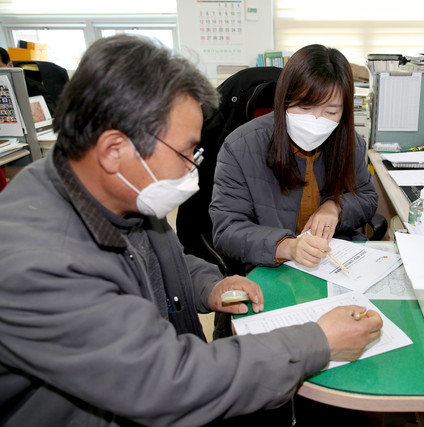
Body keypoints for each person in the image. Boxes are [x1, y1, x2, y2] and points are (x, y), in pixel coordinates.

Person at [0, 35, 383, 426]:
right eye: (186, 153)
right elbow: (167, 382)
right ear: (114, 150)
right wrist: (316, 342)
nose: (191, 171)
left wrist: (207, 285)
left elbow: (160, 256)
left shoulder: (108, 190)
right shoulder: (39, 264)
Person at [209, 44, 378, 269]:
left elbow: (367, 196)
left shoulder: (348, 141)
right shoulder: (240, 147)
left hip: (334, 259)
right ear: (285, 100)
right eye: (305, 108)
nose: (316, 121)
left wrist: (335, 207)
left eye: (330, 112)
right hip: (274, 265)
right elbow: (227, 230)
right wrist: (288, 247)